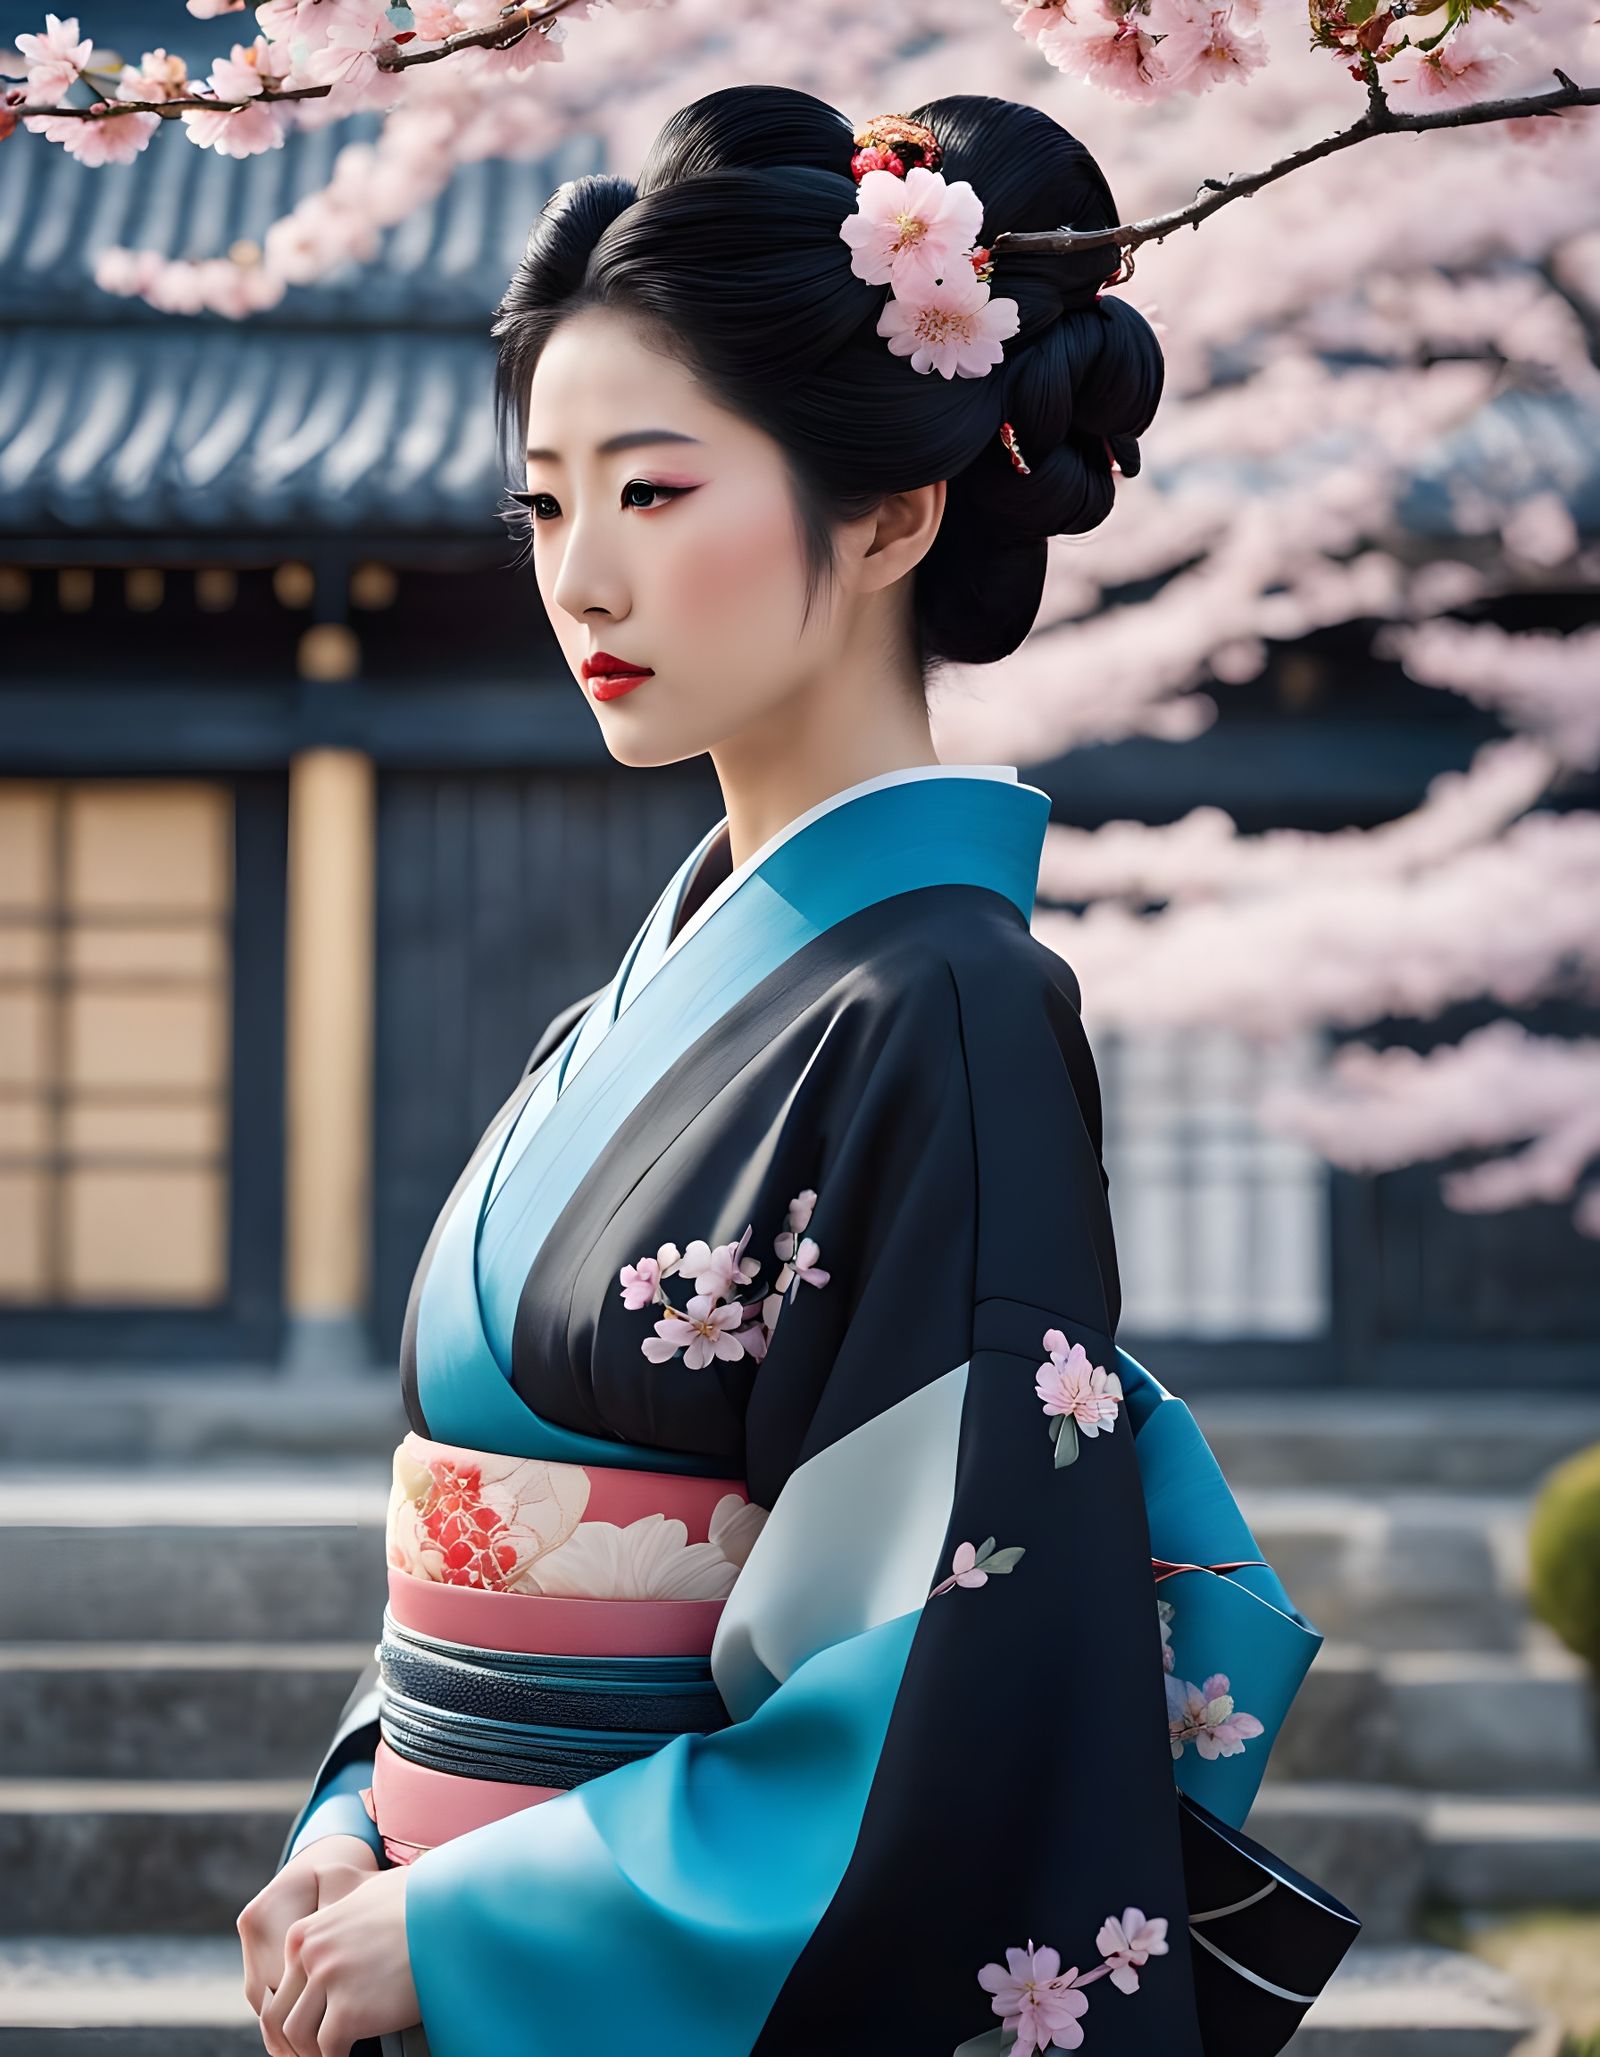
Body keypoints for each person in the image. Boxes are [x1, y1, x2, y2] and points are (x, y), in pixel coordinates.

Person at [236, 84, 1351, 2057]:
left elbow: (937, 1668)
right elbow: (472, 1576)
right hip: (445, 1939)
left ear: (896, 510)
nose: (579, 574)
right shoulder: (666, 993)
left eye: (651, 492)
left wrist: (471, 1926)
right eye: (544, 500)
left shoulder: (942, 1008)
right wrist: (354, 1825)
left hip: (589, 1969)